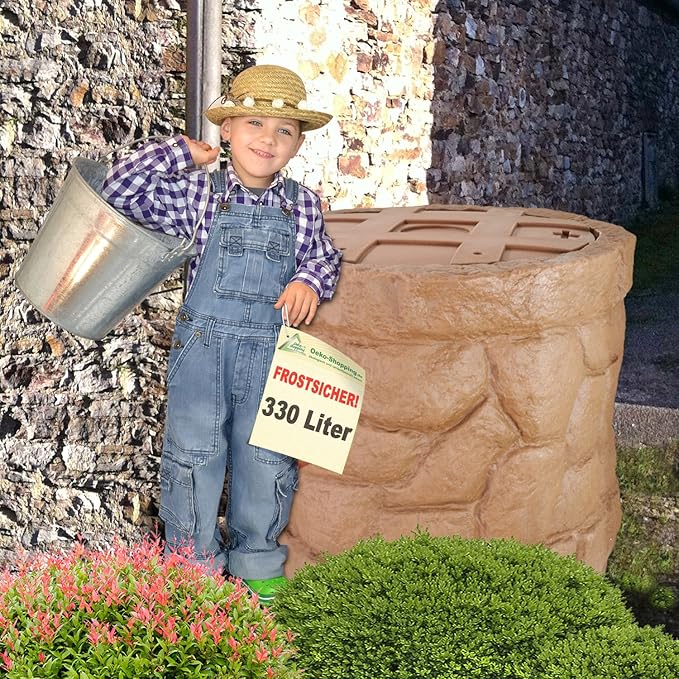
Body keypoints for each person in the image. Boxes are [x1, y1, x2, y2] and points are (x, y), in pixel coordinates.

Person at [101, 64, 341, 603]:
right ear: (226, 130)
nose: (268, 138)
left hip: (269, 353)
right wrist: (179, 155)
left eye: (284, 130)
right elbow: (119, 191)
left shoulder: (302, 205)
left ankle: (257, 560)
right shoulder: (196, 194)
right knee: (194, 453)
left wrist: (307, 280)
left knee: (266, 456)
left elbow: (324, 257)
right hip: (203, 348)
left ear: (298, 144)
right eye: (254, 122)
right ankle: (192, 568)